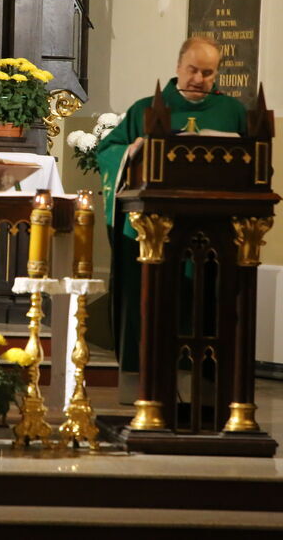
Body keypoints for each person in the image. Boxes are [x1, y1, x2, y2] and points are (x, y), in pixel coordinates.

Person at [96, 35, 248, 382]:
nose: (198, 79)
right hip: (151, 231)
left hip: (212, 232)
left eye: (208, 73)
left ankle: (207, 381)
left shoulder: (233, 113)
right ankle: (142, 377)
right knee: (151, 303)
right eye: (192, 70)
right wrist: (132, 150)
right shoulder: (145, 109)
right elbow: (107, 151)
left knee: (207, 305)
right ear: (178, 66)